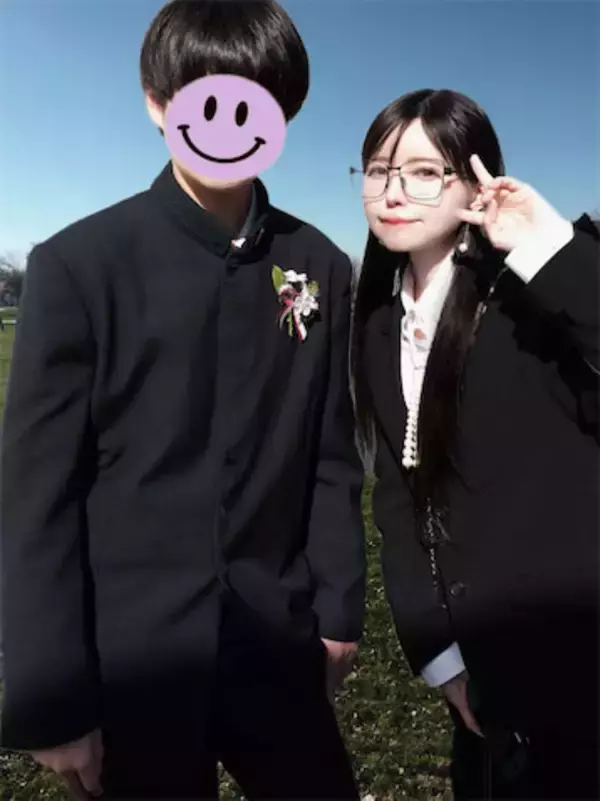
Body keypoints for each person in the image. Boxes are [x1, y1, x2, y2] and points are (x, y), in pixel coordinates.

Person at [0, 2, 365, 799]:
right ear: (156, 103)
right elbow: (37, 498)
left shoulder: (319, 263)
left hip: (277, 640)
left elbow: (331, 453)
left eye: (254, 101)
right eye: (204, 98)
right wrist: (49, 693)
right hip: (132, 661)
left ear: (286, 111)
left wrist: (339, 610)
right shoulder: (80, 266)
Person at [350, 88, 599, 800]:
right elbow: (399, 501)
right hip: (482, 683)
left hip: (578, 660)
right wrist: (439, 653)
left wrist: (547, 248)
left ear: (476, 180)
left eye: (425, 172)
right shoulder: (376, 325)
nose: (393, 191)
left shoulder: (532, 299)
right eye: (378, 170)